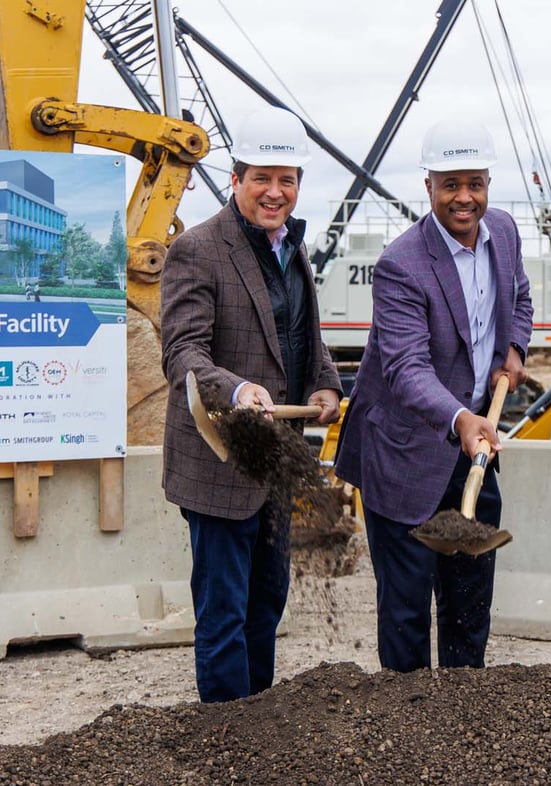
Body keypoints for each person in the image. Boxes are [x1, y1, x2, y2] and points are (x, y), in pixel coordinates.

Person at [334, 117, 533, 673]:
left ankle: (465, 722)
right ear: (429, 187)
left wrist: (514, 348)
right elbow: (404, 368)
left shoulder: (506, 233)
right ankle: (406, 730)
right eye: (450, 185)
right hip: (405, 453)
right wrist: (461, 418)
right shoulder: (403, 263)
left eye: (474, 183)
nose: (464, 197)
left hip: (473, 453)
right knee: (405, 612)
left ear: (488, 183)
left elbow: (518, 298)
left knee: (470, 607)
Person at [160, 105, 342, 702]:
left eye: (286, 179)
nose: (274, 191)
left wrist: (326, 385)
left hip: (276, 464)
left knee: (267, 604)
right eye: (261, 177)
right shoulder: (198, 249)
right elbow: (181, 352)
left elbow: (302, 341)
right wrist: (237, 389)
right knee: (223, 617)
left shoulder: (291, 248)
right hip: (218, 465)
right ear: (236, 178)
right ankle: (224, 738)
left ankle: (256, 726)